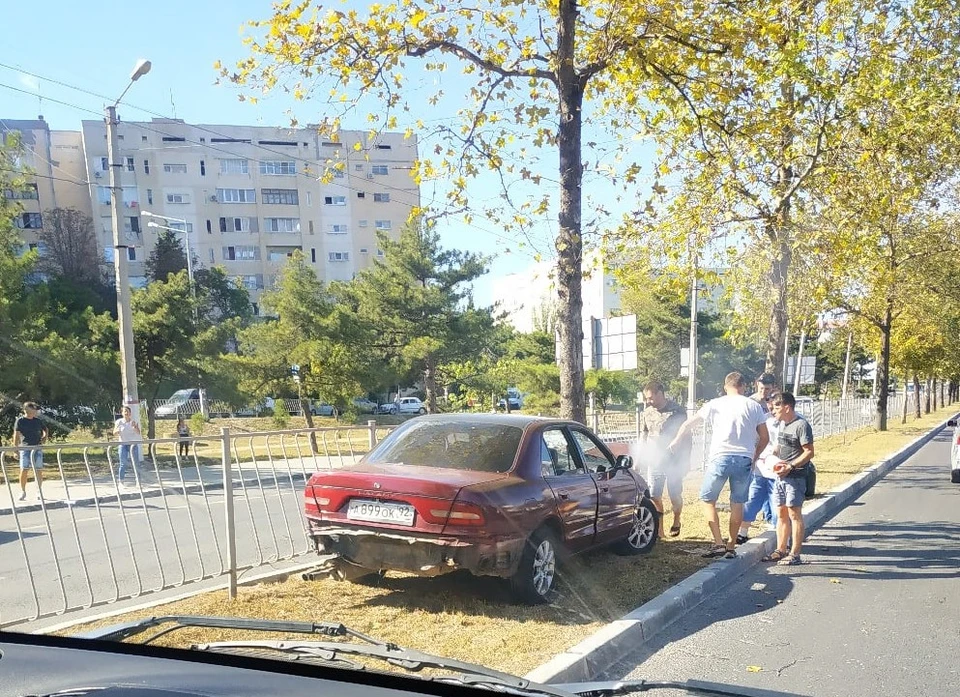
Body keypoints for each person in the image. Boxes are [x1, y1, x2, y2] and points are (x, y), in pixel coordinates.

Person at [669, 372, 769, 559]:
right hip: (744, 459)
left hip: (720, 457)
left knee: (707, 499)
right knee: (737, 502)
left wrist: (676, 440)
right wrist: (754, 456)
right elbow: (765, 437)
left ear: (725, 387)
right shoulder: (754, 406)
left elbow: (688, 424)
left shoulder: (715, 404)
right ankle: (731, 546)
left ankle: (718, 543)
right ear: (744, 386)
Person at [761, 392, 815, 566]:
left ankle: (795, 554)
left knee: (794, 514)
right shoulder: (783, 423)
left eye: (777, 407)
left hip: (795, 477)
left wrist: (791, 466)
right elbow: (781, 445)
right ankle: (780, 549)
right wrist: (771, 456)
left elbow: (809, 452)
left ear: (787, 407)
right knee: (781, 513)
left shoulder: (801, 425)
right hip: (780, 477)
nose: (773, 410)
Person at [634, 381, 690, 537]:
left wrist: (686, 460)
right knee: (654, 495)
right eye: (647, 398)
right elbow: (643, 436)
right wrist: (638, 459)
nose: (648, 401)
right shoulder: (647, 412)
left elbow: (686, 437)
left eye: (651, 398)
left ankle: (677, 519)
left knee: (674, 495)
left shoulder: (678, 411)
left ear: (660, 394)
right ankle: (660, 531)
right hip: (655, 459)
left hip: (674, 460)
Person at [13, 402, 48, 501]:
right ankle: (23, 491)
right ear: (26, 410)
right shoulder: (20, 421)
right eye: (33, 409)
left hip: (37, 447)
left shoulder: (37, 421)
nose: (35, 411)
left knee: (38, 470)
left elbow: (45, 430)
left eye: (35, 409)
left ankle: (39, 492)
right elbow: (16, 435)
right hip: (25, 448)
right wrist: (16, 450)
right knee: (24, 469)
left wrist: (44, 438)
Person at [114, 406, 143, 487]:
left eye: (128, 411)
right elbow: (114, 432)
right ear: (122, 413)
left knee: (136, 463)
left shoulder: (133, 421)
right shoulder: (119, 422)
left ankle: (138, 481)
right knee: (123, 463)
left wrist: (135, 427)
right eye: (125, 411)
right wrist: (118, 430)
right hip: (122, 444)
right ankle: (121, 481)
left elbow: (138, 433)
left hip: (132, 445)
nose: (126, 413)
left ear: (130, 413)